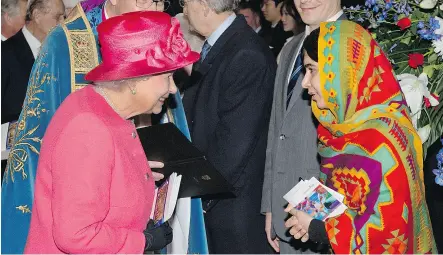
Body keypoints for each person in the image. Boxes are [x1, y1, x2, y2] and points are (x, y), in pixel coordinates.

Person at [2, 1, 207, 254]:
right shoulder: (88, 127)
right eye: (167, 77)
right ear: (136, 78)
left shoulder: (109, 111)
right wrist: (143, 241)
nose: (173, 89)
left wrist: (136, 174)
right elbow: (75, 235)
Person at [285, 20, 437, 254]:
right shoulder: (341, 128)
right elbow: (349, 203)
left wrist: (319, 229)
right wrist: (313, 213)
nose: (305, 83)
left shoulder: (382, 139)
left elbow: (387, 237)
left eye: (312, 70)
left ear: (342, 71)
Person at [181, 0, 276, 253]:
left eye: (185, 3)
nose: (184, 11)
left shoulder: (246, 53)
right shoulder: (222, 44)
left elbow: (234, 143)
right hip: (217, 198)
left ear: (203, 5)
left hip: (233, 210)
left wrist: (200, 194)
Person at [261, 0, 345, 253]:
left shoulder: (352, 46)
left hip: (326, 217)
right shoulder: (291, 49)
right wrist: (271, 205)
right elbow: (277, 129)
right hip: (285, 211)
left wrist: (314, 216)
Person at [1, 0, 65, 124]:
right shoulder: (5, 53)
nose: (63, 23)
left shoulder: (60, 52)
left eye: (64, 17)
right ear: (37, 15)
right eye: (57, 17)